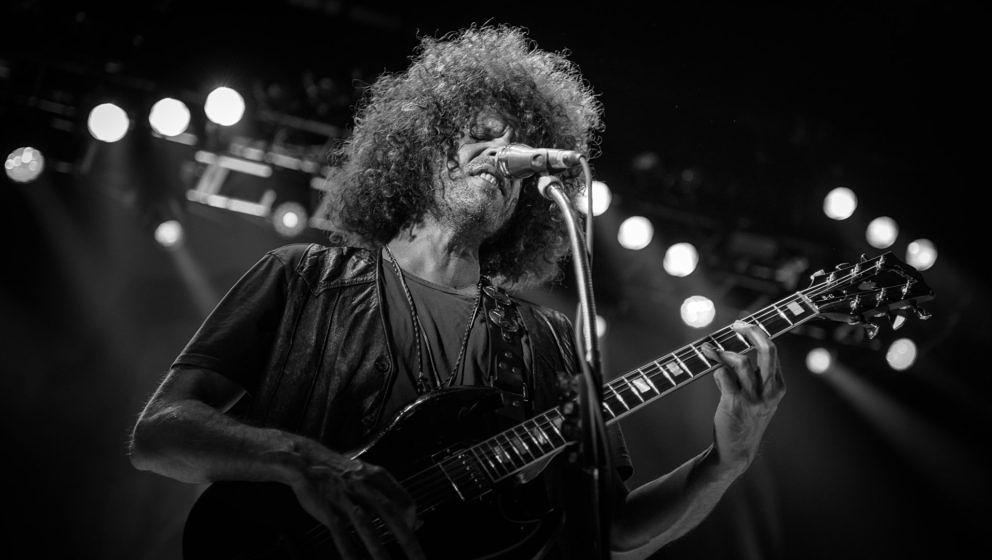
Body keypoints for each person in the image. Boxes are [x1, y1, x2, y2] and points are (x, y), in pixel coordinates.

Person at [128, 25, 785, 560]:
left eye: (520, 147)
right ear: (423, 149)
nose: (505, 154)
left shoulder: (546, 341)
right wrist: (300, 462)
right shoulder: (304, 277)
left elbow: (611, 536)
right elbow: (158, 433)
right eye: (484, 133)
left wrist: (725, 460)